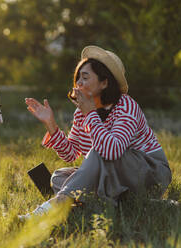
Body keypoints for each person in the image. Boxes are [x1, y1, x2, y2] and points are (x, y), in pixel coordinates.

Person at [21, 45, 172, 219]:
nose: (78, 83)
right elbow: (71, 154)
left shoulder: (126, 105)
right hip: (117, 177)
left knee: (99, 152)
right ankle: (119, 205)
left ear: (104, 82)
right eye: (78, 77)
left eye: (85, 77)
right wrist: (51, 124)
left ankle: (57, 204)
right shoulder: (82, 112)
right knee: (58, 177)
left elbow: (112, 151)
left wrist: (91, 114)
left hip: (151, 172)